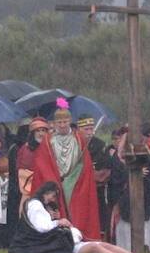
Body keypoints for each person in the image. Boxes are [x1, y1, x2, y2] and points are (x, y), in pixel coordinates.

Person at [9, 181, 139, 253]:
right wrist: (58, 222)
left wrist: (56, 219)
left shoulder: (41, 206)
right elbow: (42, 227)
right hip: (58, 245)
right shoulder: (35, 205)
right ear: (46, 192)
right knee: (95, 248)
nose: (52, 200)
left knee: (103, 245)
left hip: (63, 241)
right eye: (52, 196)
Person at [29, 100, 100, 240]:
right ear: (54, 123)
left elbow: (84, 164)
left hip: (76, 182)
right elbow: (42, 164)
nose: (62, 125)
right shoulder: (48, 140)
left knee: (79, 211)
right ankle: (60, 239)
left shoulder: (78, 138)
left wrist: (75, 179)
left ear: (70, 121)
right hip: (55, 180)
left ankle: (79, 237)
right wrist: (53, 181)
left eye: (65, 122)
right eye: (59, 122)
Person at [107, 126, 150, 251]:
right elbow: (115, 178)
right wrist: (134, 172)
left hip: (143, 199)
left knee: (144, 232)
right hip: (124, 201)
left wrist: (140, 175)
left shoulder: (146, 151)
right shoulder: (118, 155)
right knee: (125, 235)